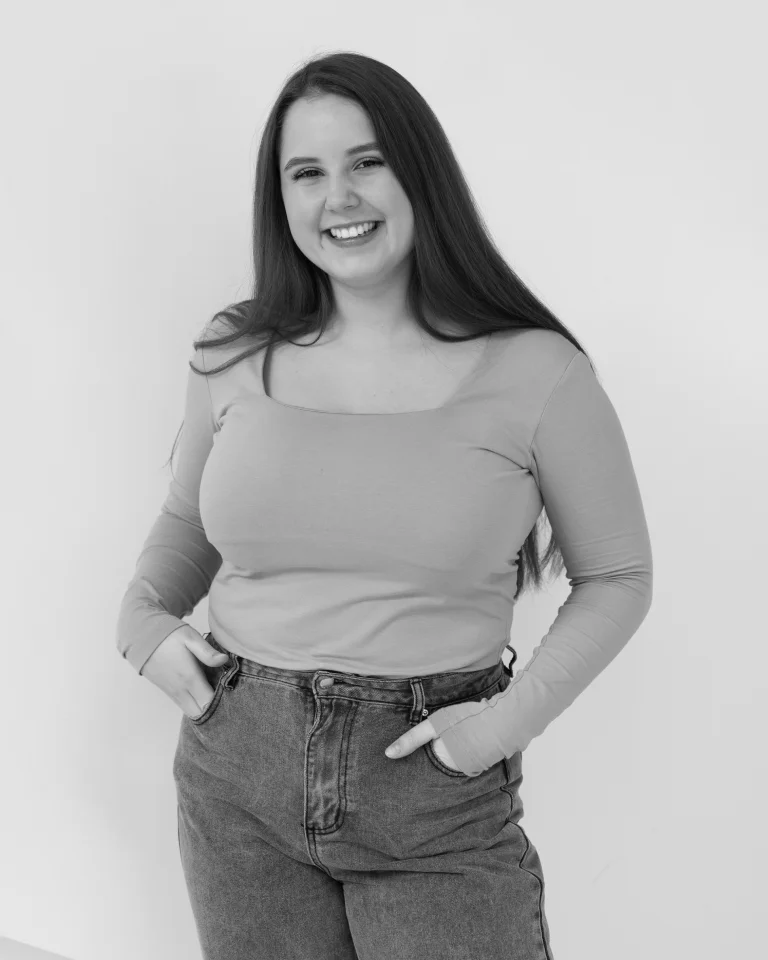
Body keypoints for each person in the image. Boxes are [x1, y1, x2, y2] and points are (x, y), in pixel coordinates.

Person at [116, 52, 652, 960]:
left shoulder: (539, 371)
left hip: (433, 792)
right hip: (236, 776)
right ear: (280, 198)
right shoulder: (231, 351)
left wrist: (497, 729)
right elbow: (187, 521)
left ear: (419, 171)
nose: (340, 198)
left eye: (367, 161)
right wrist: (139, 621)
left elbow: (619, 575)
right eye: (307, 172)